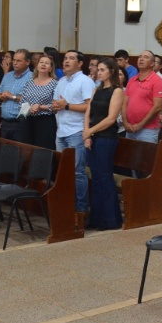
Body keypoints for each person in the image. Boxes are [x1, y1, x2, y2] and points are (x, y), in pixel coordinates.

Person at [51, 50, 95, 216]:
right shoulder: (61, 81)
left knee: (77, 172)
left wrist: (66, 106)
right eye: (65, 59)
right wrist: (55, 107)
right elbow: (57, 104)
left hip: (77, 131)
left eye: (71, 58)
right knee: (63, 171)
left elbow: (89, 107)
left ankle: (81, 209)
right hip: (61, 131)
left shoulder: (85, 81)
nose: (66, 61)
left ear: (80, 63)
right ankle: (67, 205)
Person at [83, 58, 124, 230]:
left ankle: (110, 219)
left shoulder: (117, 91)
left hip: (107, 137)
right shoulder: (97, 90)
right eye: (97, 69)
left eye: (102, 70)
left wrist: (90, 131)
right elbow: (88, 113)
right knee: (96, 178)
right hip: (93, 137)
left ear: (111, 71)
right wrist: (86, 133)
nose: (98, 72)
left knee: (105, 177)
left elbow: (111, 119)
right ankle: (96, 218)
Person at [123, 50, 162, 143]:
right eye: (140, 56)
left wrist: (140, 125)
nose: (141, 59)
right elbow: (125, 103)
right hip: (129, 128)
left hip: (148, 130)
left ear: (152, 64)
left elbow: (157, 107)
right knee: (128, 157)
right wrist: (125, 123)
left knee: (146, 157)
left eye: (146, 57)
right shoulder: (132, 80)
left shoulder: (157, 81)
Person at [21, 54, 58, 150]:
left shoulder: (55, 83)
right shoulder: (29, 83)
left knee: (43, 150)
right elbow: (22, 102)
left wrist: (40, 107)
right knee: (27, 150)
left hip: (45, 121)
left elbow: (56, 105)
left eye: (47, 63)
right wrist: (30, 108)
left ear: (50, 69)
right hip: (28, 120)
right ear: (37, 66)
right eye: (41, 62)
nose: (43, 65)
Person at [0, 49, 32, 144]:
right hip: (5, 122)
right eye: (14, 60)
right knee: (5, 153)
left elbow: (31, 100)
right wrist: (0, 96)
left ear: (27, 62)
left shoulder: (32, 77)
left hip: (21, 123)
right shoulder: (7, 76)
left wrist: (13, 97)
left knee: (20, 154)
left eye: (18, 61)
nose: (15, 63)